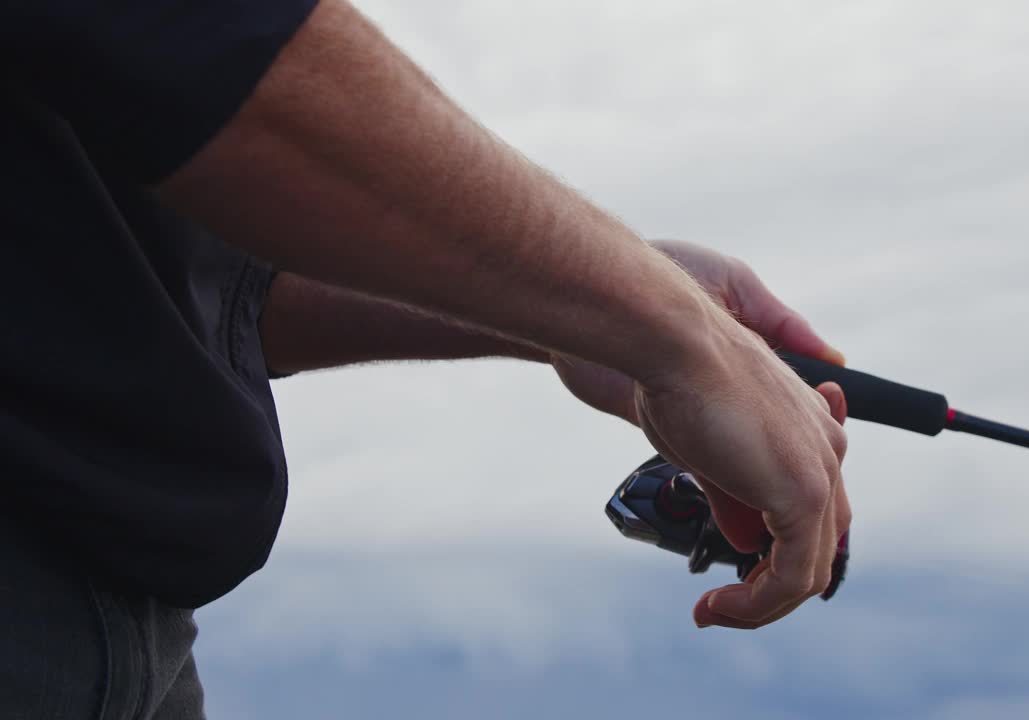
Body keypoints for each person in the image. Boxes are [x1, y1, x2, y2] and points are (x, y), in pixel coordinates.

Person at [1, 0, 852, 717]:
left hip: (130, 631)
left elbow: (210, 293)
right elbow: (217, 59)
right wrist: (676, 335)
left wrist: (572, 322)